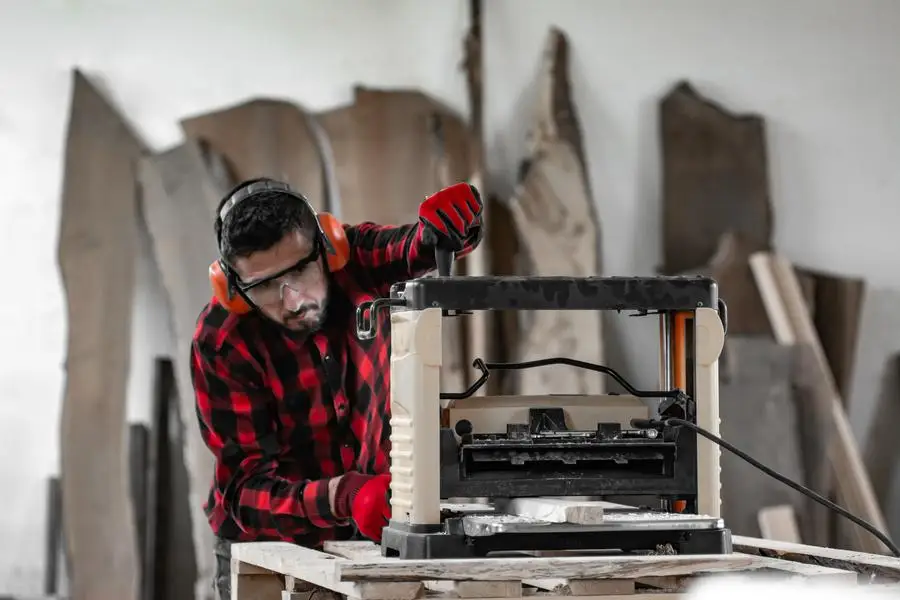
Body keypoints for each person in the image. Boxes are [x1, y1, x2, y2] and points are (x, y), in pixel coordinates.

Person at [190, 177, 483, 599]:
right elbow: (245, 489)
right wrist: (343, 495)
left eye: (299, 271)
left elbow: (419, 244)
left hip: (369, 531)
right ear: (233, 289)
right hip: (268, 546)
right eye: (264, 286)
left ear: (329, 248)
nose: (292, 300)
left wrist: (453, 224)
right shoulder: (222, 341)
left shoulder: (359, 259)